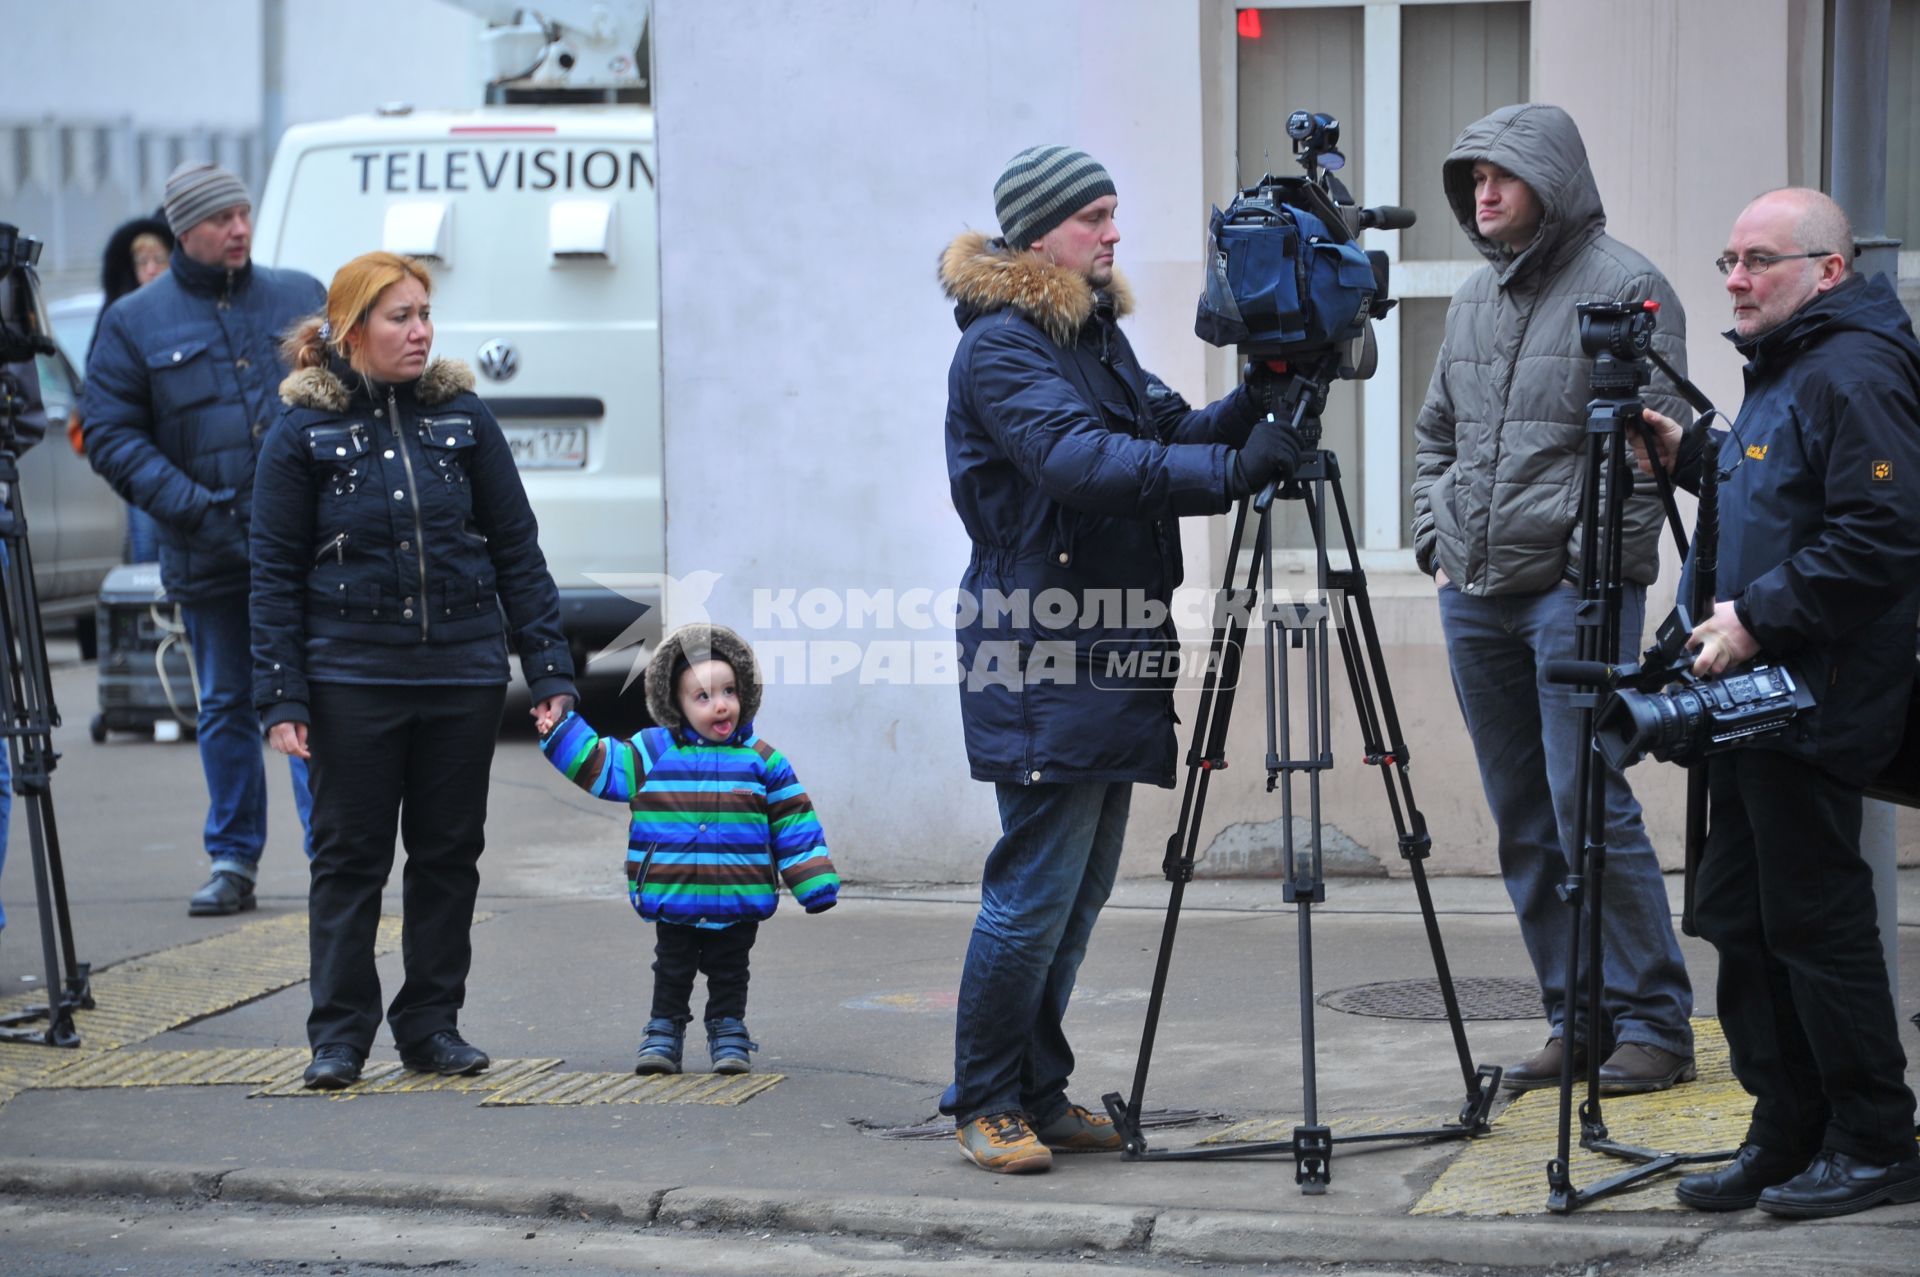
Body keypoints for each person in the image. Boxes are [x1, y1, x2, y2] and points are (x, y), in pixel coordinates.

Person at [937, 145, 1302, 1173]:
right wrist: (1233, 471)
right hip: (1041, 645)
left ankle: (1039, 1091)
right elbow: (1082, 462)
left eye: (1113, 214)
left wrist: (1261, 392)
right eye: (1095, 215)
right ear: (1039, 230)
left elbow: (1168, 428)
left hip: (1107, 642)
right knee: (1034, 889)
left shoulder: (1090, 335)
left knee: (1080, 890)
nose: (1113, 232)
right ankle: (983, 1098)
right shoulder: (1005, 348)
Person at [1632, 188, 1920, 1218]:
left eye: (1760, 259)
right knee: (1740, 918)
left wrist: (1753, 617)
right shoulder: (1792, 368)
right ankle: (1787, 1128)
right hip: (1752, 695)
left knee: (1814, 917)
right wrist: (1699, 461)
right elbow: (1784, 490)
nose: (1737, 279)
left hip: (1812, 696)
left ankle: (1877, 1136)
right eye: (1729, 259)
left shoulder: (1858, 368)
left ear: (1829, 270)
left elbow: (1883, 533)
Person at [1409, 103, 1695, 1095]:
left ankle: (1657, 1022)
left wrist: (1591, 563)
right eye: (1472, 179)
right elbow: (1434, 434)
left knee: (1588, 807)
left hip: (1572, 598)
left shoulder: (1627, 283)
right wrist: (1432, 539)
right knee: (1524, 815)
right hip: (1475, 594)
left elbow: (1661, 439)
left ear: (1552, 181)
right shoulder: (1474, 298)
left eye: (1501, 176)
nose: (1482, 194)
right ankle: (1576, 1018)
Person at [250, 251, 576, 1089]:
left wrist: (549, 673)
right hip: (351, 679)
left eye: (426, 313)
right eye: (401, 317)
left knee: (446, 856)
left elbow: (518, 551)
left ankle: (432, 1023)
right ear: (352, 330)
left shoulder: (463, 418)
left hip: (462, 675)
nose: (420, 331)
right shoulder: (302, 431)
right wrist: (282, 693)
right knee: (350, 857)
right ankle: (340, 1036)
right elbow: (274, 574)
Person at [82, 162, 321, 916]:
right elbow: (112, 434)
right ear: (184, 230)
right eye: (222, 219)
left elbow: (346, 397)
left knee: (317, 701)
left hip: (309, 551)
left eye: (244, 214)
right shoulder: (134, 320)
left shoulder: (299, 297)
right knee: (225, 702)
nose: (240, 228)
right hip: (208, 546)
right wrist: (193, 507)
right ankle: (233, 859)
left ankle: (336, 859)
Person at [534, 622, 839, 1075]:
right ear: (675, 704)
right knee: (672, 968)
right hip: (672, 889)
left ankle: (729, 1031)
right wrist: (560, 732)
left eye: (729, 691)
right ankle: (663, 1033)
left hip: (738, 893)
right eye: (703, 696)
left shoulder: (762, 759)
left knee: (731, 970)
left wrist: (813, 881)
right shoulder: (652, 751)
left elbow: (793, 820)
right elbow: (602, 766)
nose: (720, 704)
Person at [75, 212, 174, 562]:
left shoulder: (188, 311)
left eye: (159, 260)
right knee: (146, 548)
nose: (150, 268)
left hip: (183, 449)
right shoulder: (117, 318)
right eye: (142, 261)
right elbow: (100, 391)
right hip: (142, 451)